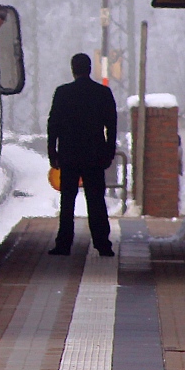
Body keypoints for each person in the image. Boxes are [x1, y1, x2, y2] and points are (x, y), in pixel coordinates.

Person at [46, 52, 117, 257]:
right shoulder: (102, 93)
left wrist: (53, 152)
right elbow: (111, 126)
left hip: (69, 154)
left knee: (67, 201)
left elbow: (54, 124)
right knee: (96, 200)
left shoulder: (63, 93)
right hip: (95, 155)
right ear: (89, 69)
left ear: (73, 69)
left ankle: (64, 244)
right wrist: (109, 152)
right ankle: (103, 244)